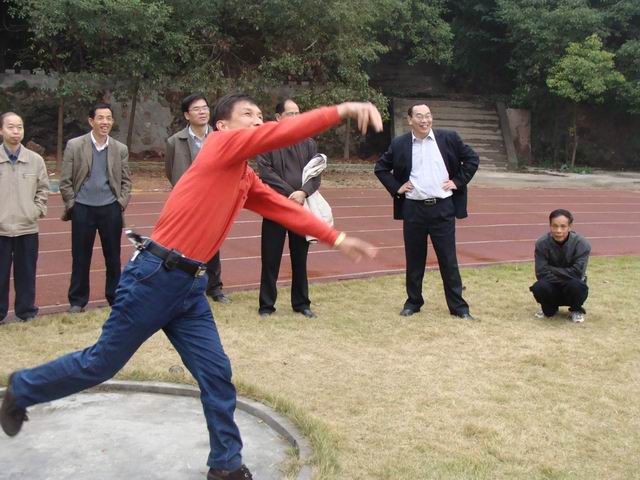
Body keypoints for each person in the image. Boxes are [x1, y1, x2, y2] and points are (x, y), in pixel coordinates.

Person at [1, 94, 381, 480]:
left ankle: (226, 465)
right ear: (221, 126)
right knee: (101, 363)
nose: (257, 120)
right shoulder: (219, 146)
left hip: (190, 287)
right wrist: (342, 111)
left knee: (216, 373)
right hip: (154, 278)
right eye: (248, 114)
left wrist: (335, 237)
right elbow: (279, 133)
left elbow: (283, 208)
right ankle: (24, 387)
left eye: (260, 115)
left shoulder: (244, 177)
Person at [374, 103, 479, 320]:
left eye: (428, 115)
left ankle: (459, 307)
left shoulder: (448, 138)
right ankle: (413, 302)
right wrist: (397, 187)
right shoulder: (400, 144)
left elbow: (472, 159)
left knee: (448, 260)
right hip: (414, 209)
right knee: (414, 259)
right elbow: (381, 168)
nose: (425, 120)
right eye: (419, 116)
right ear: (409, 120)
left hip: (443, 208)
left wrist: (457, 181)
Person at [59, 103, 132, 313]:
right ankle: (77, 300)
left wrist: (120, 202)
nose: (105, 122)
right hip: (83, 208)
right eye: (100, 118)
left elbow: (126, 181)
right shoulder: (75, 145)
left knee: (113, 257)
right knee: (80, 257)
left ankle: (115, 297)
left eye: (108, 118)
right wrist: (73, 204)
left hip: (110, 209)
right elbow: (65, 181)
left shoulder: (119, 149)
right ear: (91, 121)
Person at [256, 99, 320, 318]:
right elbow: (266, 173)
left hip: (301, 207)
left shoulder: (309, 143)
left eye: (297, 113)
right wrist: (291, 193)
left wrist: (303, 192)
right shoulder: (267, 142)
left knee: (300, 258)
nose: (295, 117)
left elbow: (315, 174)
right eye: (290, 114)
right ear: (278, 118)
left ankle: (301, 303)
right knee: (270, 257)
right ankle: (266, 305)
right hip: (275, 208)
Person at [165, 93, 230, 304]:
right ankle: (185, 287)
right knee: (186, 245)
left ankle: (215, 288)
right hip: (188, 202)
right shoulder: (175, 141)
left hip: (214, 200)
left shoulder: (221, 137)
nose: (202, 112)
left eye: (205, 108)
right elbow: (170, 171)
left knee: (213, 245)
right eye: (196, 109)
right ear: (187, 115)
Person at [0, 112, 49, 324]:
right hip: (1, 229)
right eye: (10, 127)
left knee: (26, 273)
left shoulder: (35, 160)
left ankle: (26, 311)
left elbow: (43, 189)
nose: (16, 131)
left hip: (27, 227)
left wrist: (35, 210)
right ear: (1, 130)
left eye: (19, 127)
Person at [530, 209, 591, 323]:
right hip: (551, 286)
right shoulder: (541, 243)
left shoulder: (582, 243)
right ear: (550, 226)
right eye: (555, 226)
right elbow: (541, 273)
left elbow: (577, 273)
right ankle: (549, 308)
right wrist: (566, 274)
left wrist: (551, 269)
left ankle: (576, 309)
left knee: (577, 285)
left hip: (571, 286)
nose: (558, 231)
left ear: (570, 227)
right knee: (539, 286)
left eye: (563, 226)